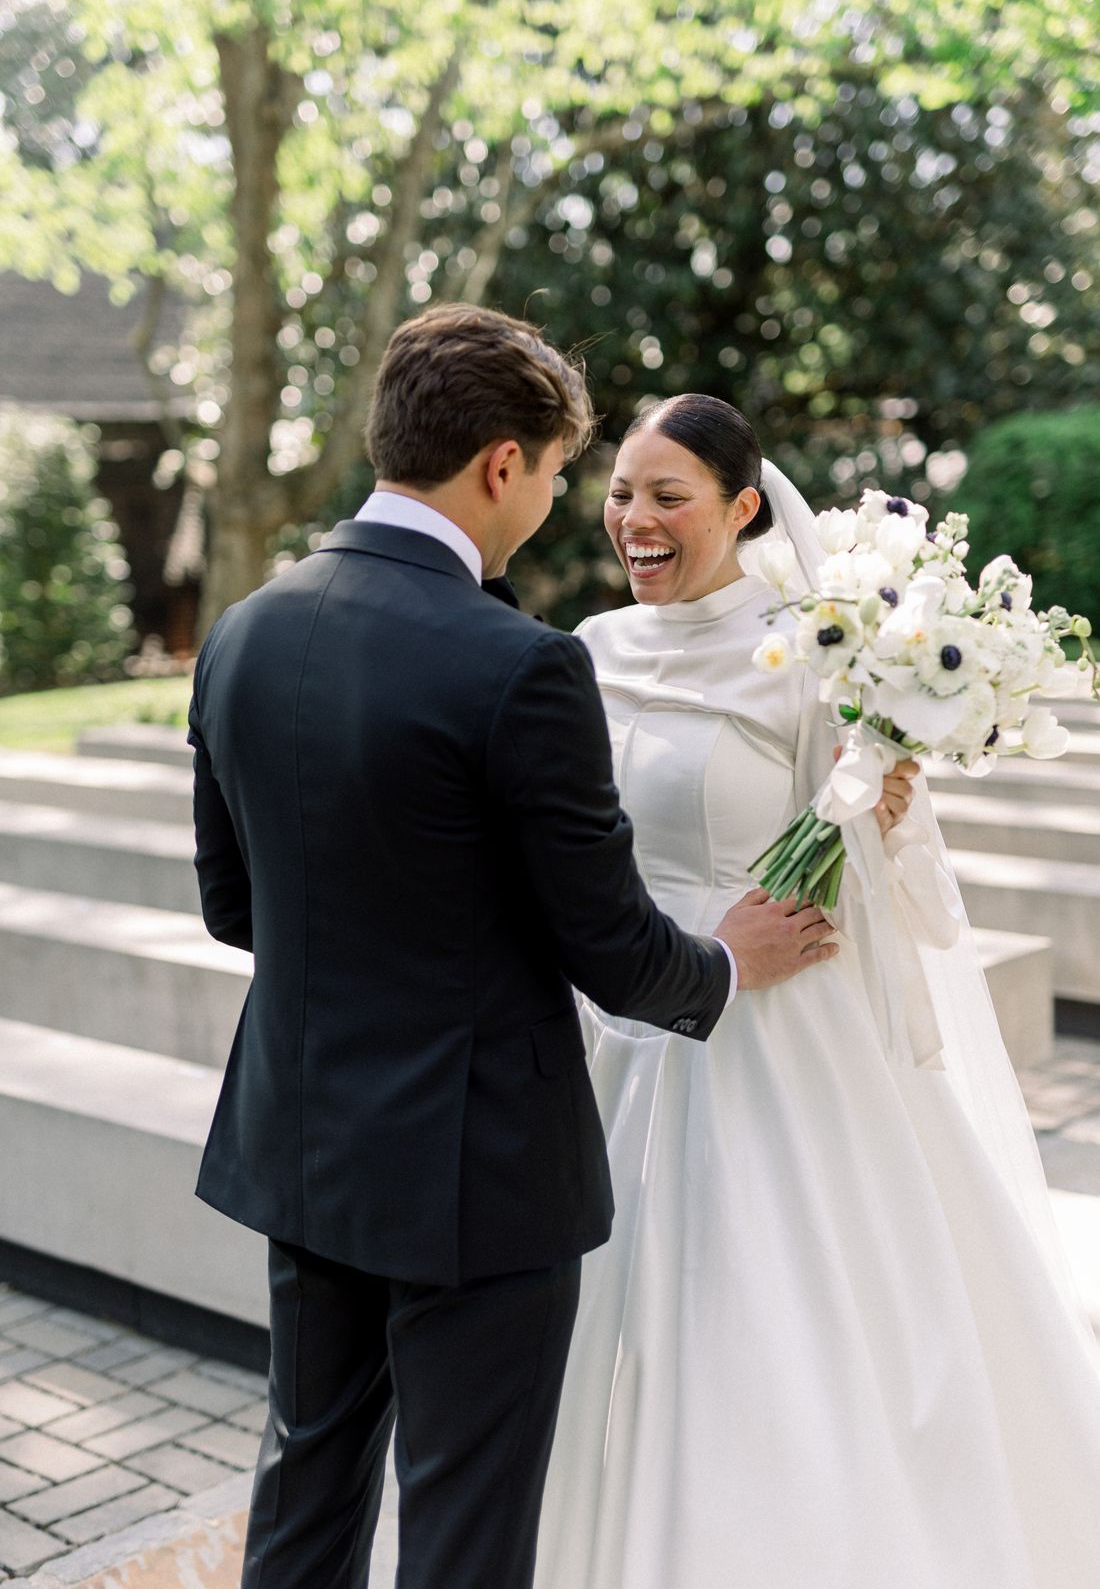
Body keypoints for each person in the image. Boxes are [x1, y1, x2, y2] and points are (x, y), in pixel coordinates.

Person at [186, 308, 848, 1589]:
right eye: (557, 474)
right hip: (473, 1173)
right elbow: (606, 945)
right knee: (466, 1532)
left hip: (305, 1142)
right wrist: (726, 965)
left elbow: (235, 908)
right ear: (501, 466)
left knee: (306, 1485)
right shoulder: (520, 665)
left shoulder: (244, 631)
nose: (557, 501)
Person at [534, 393, 1100, 1589]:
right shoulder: (581, 652)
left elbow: (861, 874)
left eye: (666, 497)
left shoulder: (816, 651)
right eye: (622, 493)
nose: (633, 518)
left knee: (783, 1327)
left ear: (741, 509)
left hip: (775, 1028)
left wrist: (874, 824)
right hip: (618, 1028)